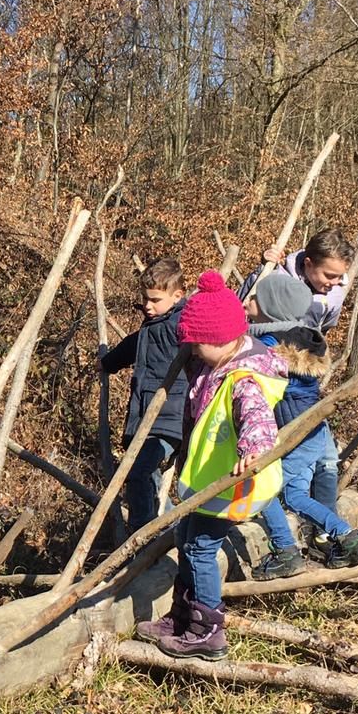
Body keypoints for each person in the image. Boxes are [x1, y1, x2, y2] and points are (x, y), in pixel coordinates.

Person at [135, 272, 293, 660]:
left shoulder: (243, 377)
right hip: (207, 481)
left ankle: (208, 630)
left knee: (201, 550)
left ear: (221, 341)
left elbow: (256, 417)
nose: (191, 349)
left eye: (196, 344)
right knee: (188, 540)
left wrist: (253, 449)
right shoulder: (215, 364)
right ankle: (181, 616)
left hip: (231, 483)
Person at [246, 272, 358, 569]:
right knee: (293, 495)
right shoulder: (303, 340)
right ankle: (349, 538)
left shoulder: (269, 345)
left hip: (295, 434)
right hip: (314, 434)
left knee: (263, 487)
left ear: (271, 307)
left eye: (256, 298)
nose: (249, 301)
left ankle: (285, 551)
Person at [100, 259, 188, 528]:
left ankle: (142, 534)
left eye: (155, 300)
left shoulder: (182, 323)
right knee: (151, 479)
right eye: (144, 299)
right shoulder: (154, 324)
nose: (147, 305)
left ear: (177, 296)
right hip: (147, 416)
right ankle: (169, 529)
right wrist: (107, 362)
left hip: (169, 418)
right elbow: (133, 346)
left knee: (138, 474)